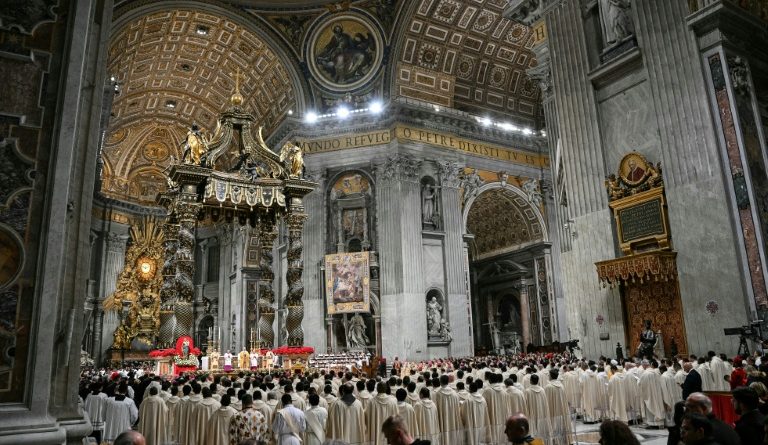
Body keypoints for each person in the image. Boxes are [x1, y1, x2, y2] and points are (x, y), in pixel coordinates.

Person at [433, 375, 462, 444]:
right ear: (448, 381)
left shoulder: (438, 394)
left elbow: (436, 409)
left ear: (440, 382)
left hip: (443, 419)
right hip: (453, 418)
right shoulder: (454, 393)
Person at [545, 369, 571, 445]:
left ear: (551, 376)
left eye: (549, 375)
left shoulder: (548, 387)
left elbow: (547, 401)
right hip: (562, 410)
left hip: (552, 410)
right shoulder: (561, 386)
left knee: (554, 425)